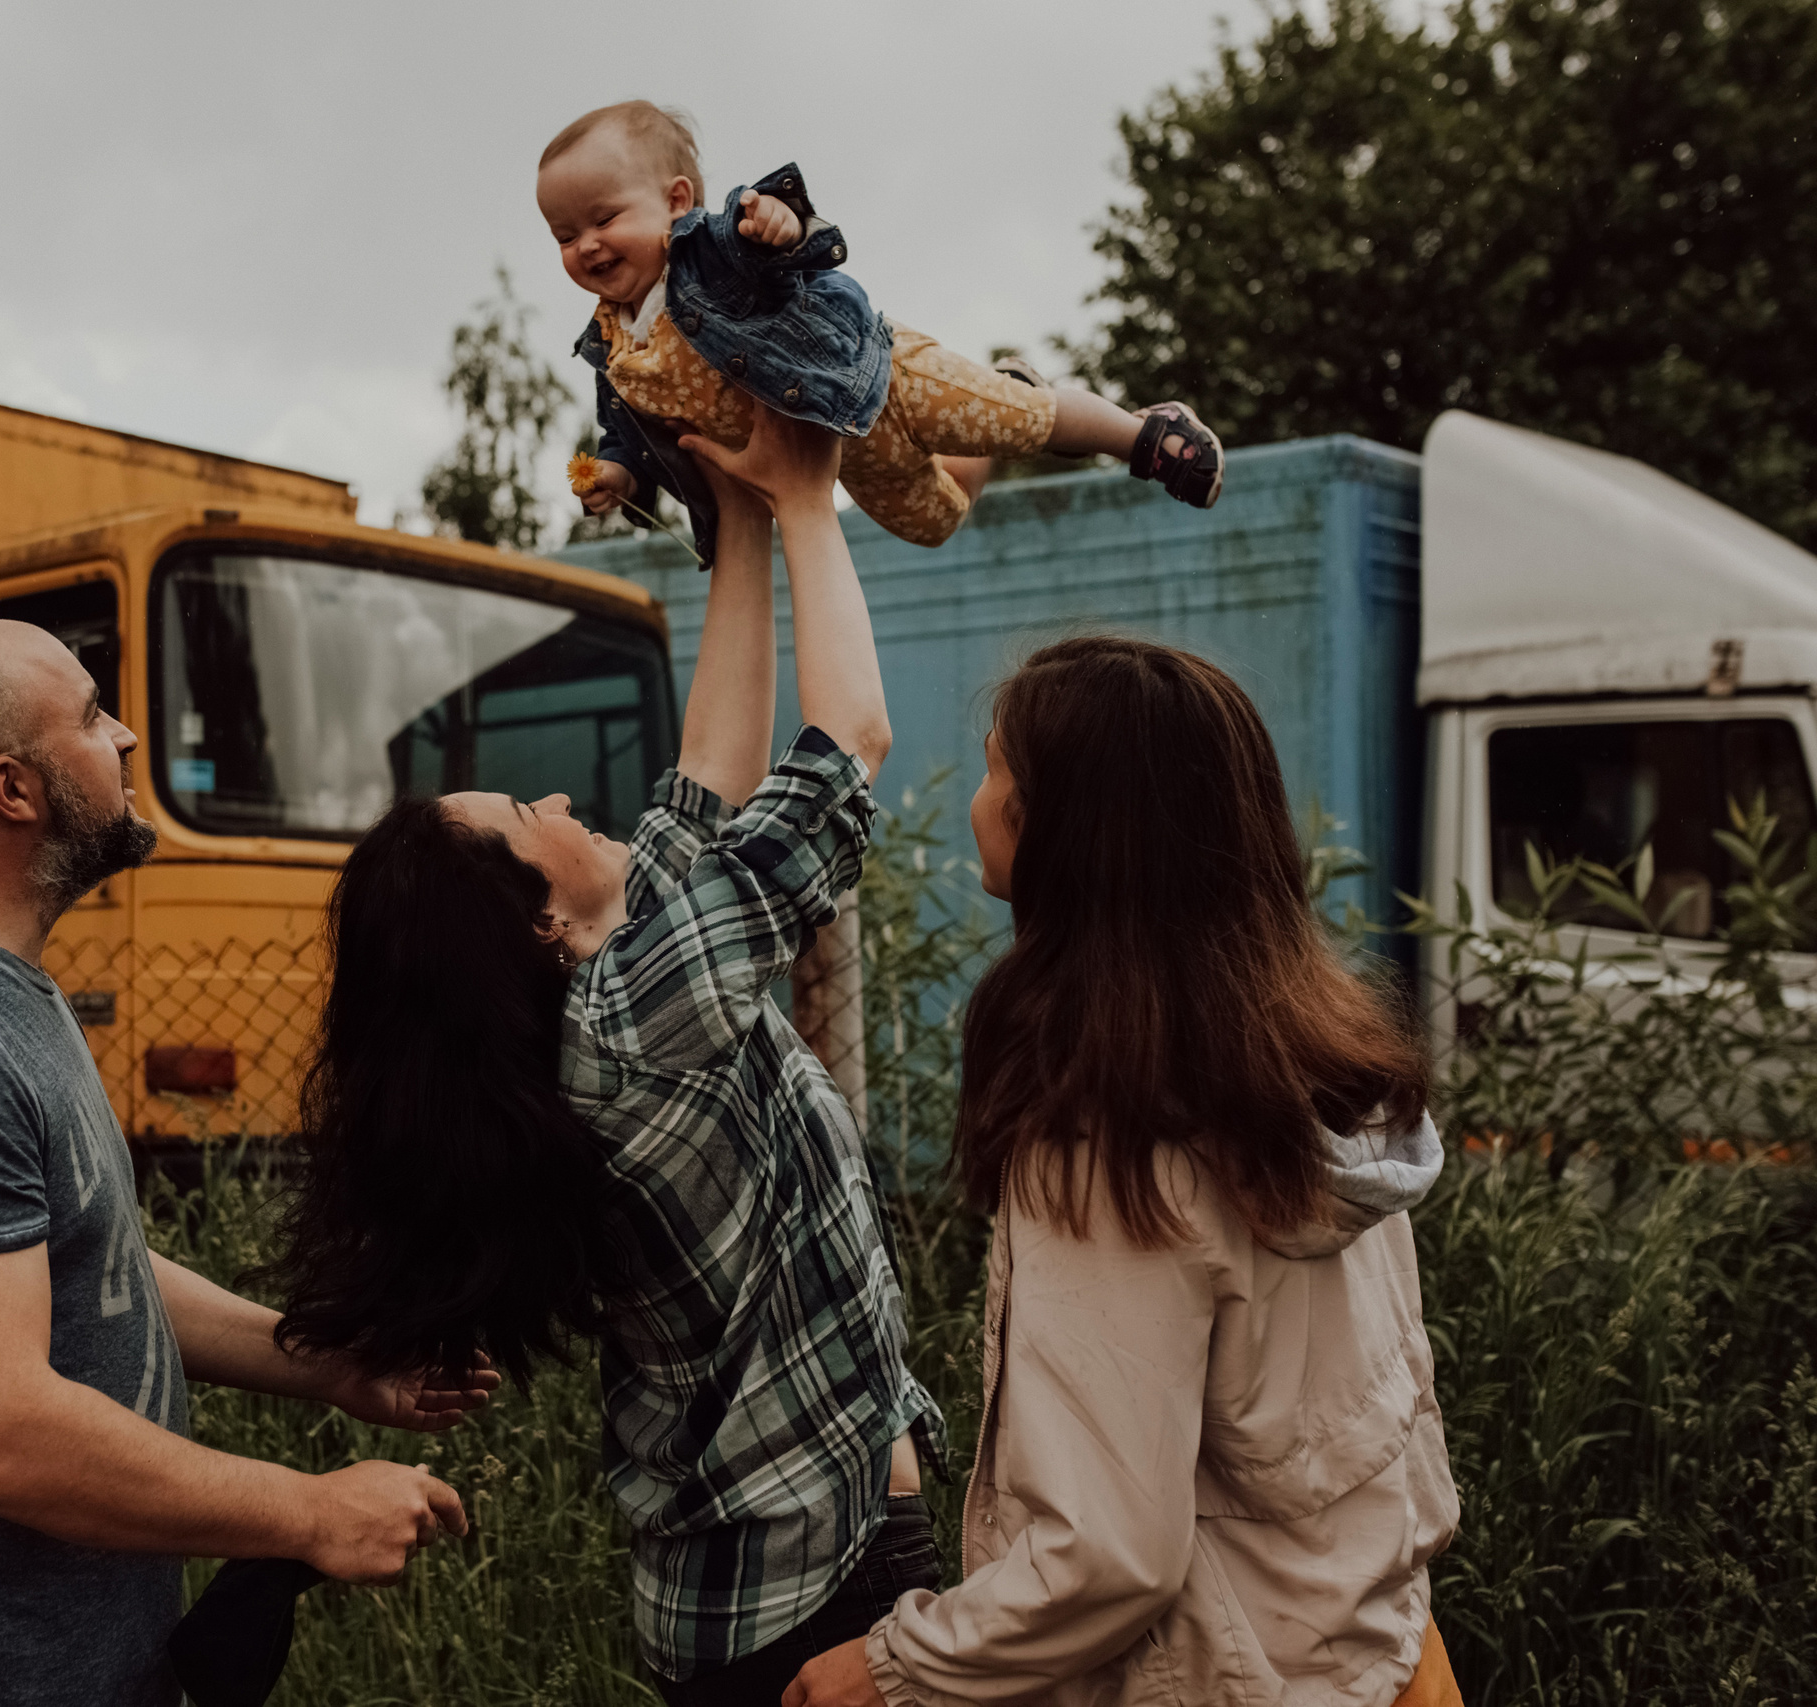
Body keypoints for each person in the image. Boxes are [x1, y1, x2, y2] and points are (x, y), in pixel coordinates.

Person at [263, 402, 943, 1706]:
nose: (567, 802)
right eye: (533, 812)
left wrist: (737, 512)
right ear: (538, 921)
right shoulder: (643, 1011)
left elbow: (707, 772)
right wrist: (810, 497)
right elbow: (848, 744)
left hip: (729, 1587)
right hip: (824, 1581)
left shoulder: (592, 1005)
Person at [0, 619, 489, 1707]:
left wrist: (325, 1366)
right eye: (95, 716)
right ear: (14, 789)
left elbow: (89, 1271)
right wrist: (311, 1510)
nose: (132, 737)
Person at [782, 637, 1462, 1707]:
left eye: (1001, 771)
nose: (978, 801)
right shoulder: (1314, 1072)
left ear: (1076, 831)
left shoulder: (1111, 1142)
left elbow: (1108, 1556)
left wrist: (894, 1666)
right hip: (1378, 1657)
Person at [538, 100, 1223, 565]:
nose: (586, 246)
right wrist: (620, 474)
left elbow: (792, 232)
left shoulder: (715, 248)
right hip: (840, 450)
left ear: (676, 201)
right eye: (565, 236)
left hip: (881, 376)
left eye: (603, 220)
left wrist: (781, 223)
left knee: (1021, 420)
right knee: (935, 523)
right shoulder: (615, 348)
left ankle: (1144, 436)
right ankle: (1009, 387)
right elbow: (626, 429)